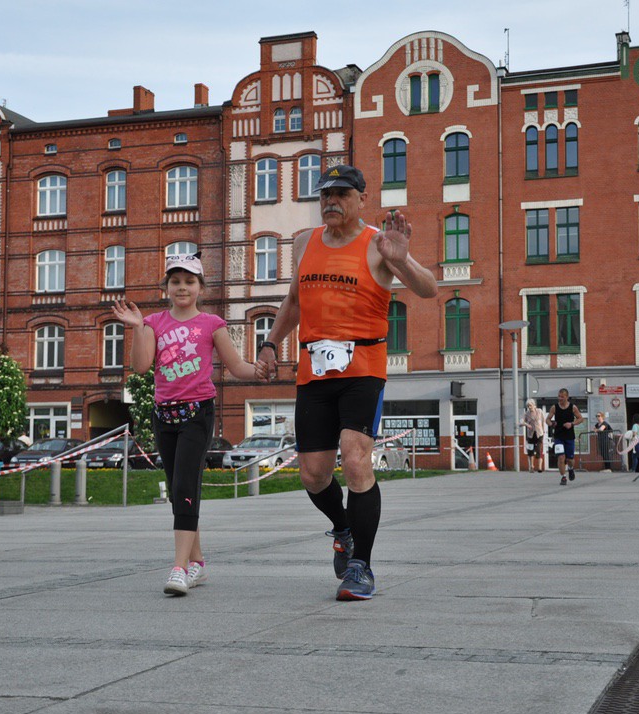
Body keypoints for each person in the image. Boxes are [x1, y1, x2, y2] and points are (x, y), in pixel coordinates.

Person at [256, 165, 438, 601]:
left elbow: (429, 288)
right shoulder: (304, 242)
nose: (331, 202)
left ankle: (361, 568)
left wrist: (400, 259)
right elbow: (294, 300)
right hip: (313, 371)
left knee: (356, 461)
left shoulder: (379, 243)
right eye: (325, 195)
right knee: (313, 475)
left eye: (340, 194)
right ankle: (343, 530)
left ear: (361, 199)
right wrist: (270, 343)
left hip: (363, 368)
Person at [113, 253, 263, 596]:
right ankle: (197, 563)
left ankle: (179, 568)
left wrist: (261, 370)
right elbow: (141, 367)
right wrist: (136, 328)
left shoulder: (212, 324)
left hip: (197, 413)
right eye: (176, 281)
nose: (182, 287)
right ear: (166, 287)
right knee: (178, 490)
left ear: (201, 288)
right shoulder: (153, 322)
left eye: (189, 281)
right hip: (164, 415)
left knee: (184, 485)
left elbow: (237, 367)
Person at [547, 388, 584, 485]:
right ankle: (563, 477)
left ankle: (570, 468)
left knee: (570, 459)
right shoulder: (554, 407)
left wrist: (571, 424)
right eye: (559, 396)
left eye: (562, 397)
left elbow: (580, 419)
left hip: (569, 436)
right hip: (558, 436)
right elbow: (547, 419)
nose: (560, 398)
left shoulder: (573, 407)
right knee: (561, 457)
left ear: (567, 397)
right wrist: (551, 424)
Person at [522, 399, 547, 472]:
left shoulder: (539, 411)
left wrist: (543, 430)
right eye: (528, 406)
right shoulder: (526, 414)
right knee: (530, 451)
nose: (529, 407)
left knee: (539, 450)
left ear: (534, 405)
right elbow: (521, 422)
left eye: (530, 405)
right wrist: (527, 424)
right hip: (531, 434)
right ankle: (531, 466)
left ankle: (539, 467)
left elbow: (543, 421)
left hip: (539, 433)